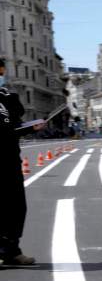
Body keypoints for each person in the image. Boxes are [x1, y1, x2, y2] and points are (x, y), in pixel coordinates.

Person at [0, 58, 43, 266]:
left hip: (9, 159)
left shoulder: (6, 97)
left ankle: (11, 250)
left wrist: (29, 127)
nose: (1, 77)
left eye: (1, 73)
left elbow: (15, 122)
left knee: (16, 206)